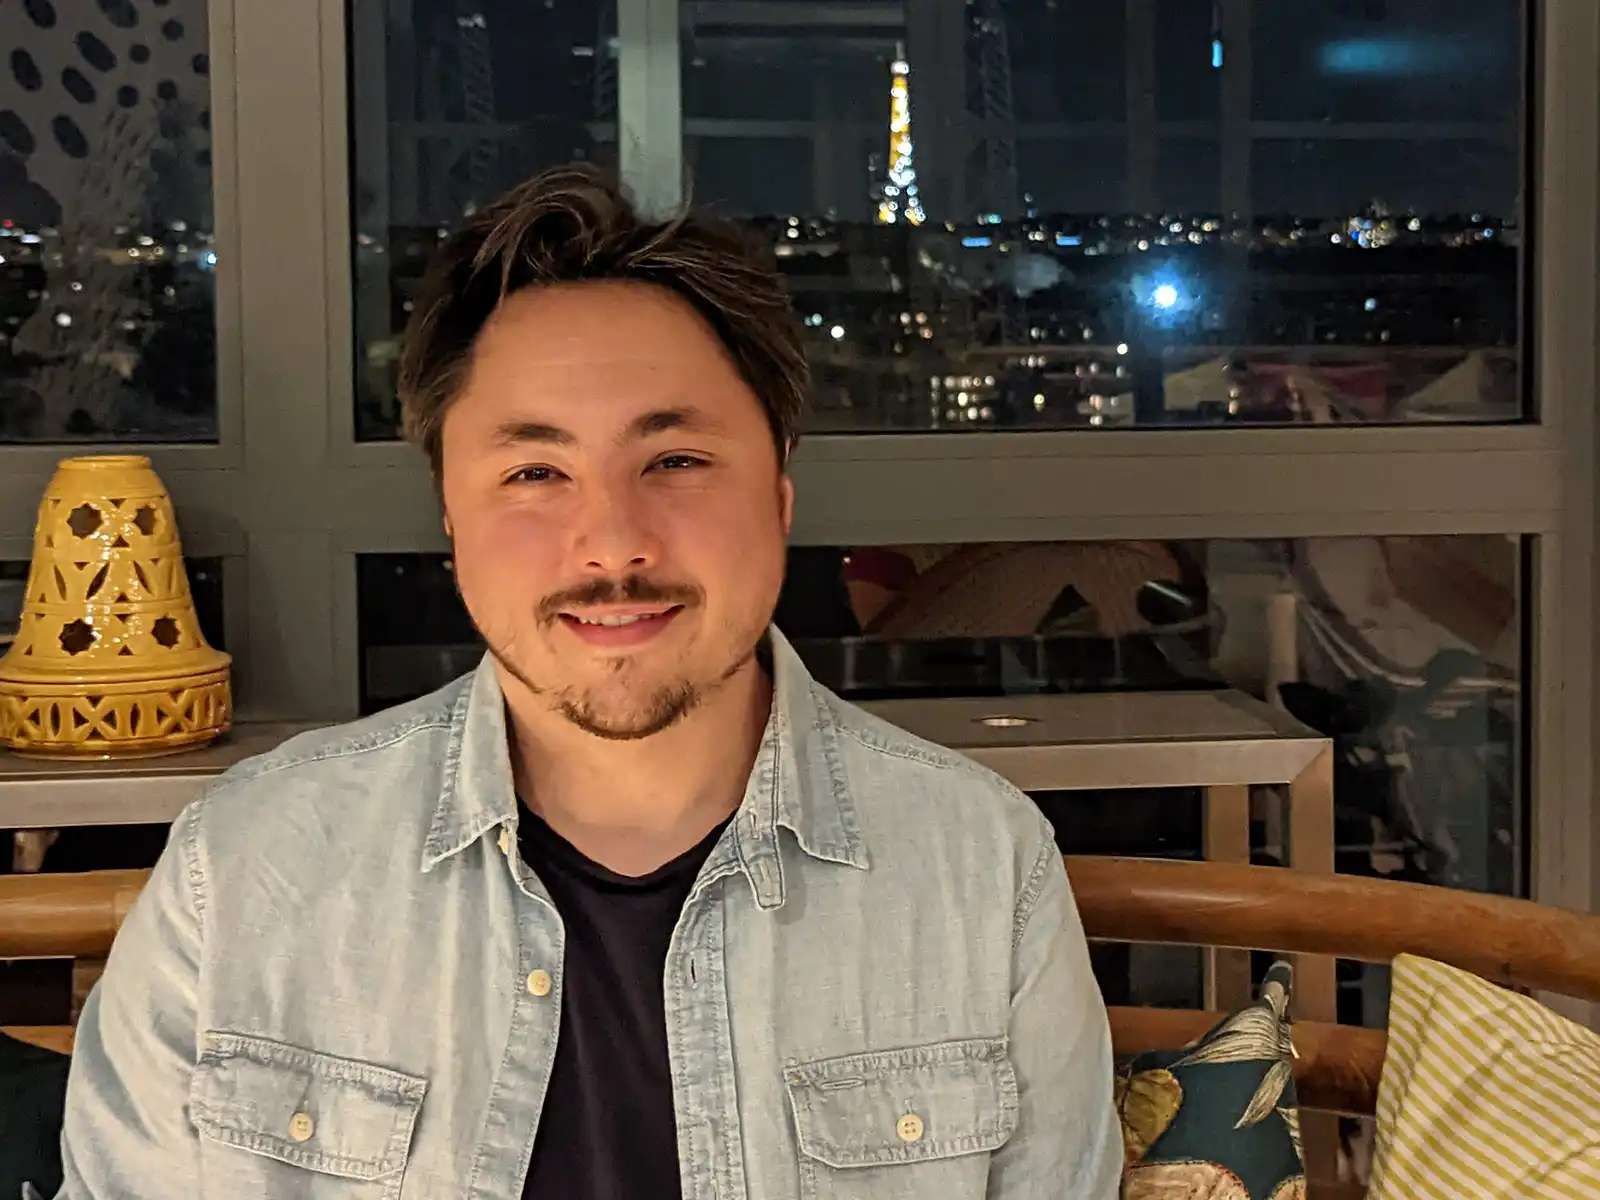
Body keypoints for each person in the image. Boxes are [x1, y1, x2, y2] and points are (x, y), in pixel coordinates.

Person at [57, 164, 1121, 1199]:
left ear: (781, 489)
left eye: (674, 461)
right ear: (448, 513)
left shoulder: (980, 869)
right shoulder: (246, 869)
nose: (612, 543)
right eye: (534, 473)